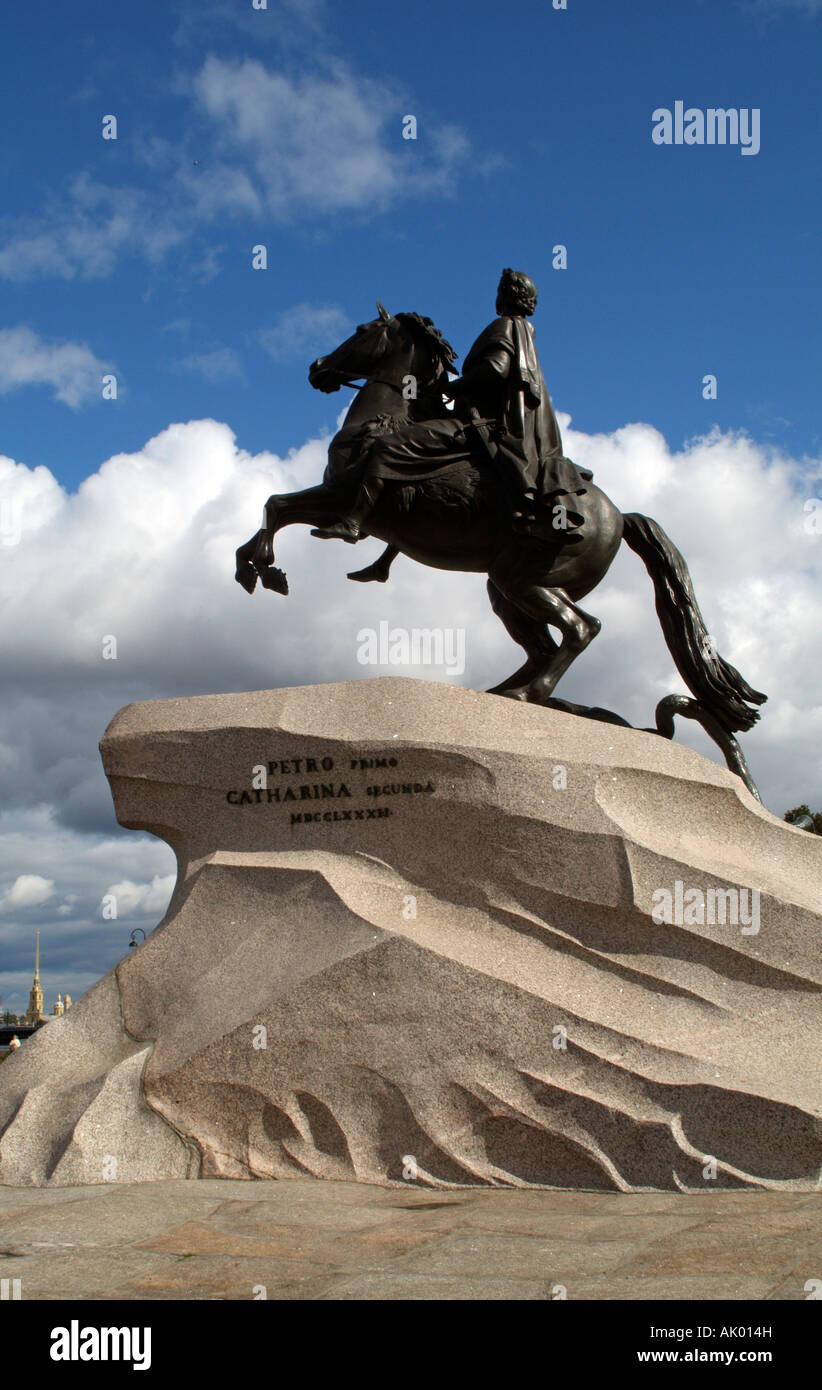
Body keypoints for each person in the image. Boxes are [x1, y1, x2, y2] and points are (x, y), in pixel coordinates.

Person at [312, 268, 591, 542]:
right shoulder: (524, 333)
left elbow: (496, 369)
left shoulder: (505, 326)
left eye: (498, 292)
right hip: (499, 424)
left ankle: (354, 522)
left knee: (388, 447)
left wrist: (451, 387)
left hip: (482, 425)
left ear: (505, 296)